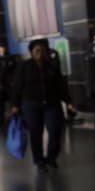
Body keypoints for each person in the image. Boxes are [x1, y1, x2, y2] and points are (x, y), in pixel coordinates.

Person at [10, 39, 74, 171]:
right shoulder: (24, 66)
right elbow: (17, 86)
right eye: (37, 50)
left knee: (55, 130)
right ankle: (39, 161)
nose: (40, 52)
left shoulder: (51, 66)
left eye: (42, 50)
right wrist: (15, 104)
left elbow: (61, 86)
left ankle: (51, 158)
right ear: (32, 52)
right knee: (35, 133)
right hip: (31, 105)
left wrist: (68, 102)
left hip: (51, 104)